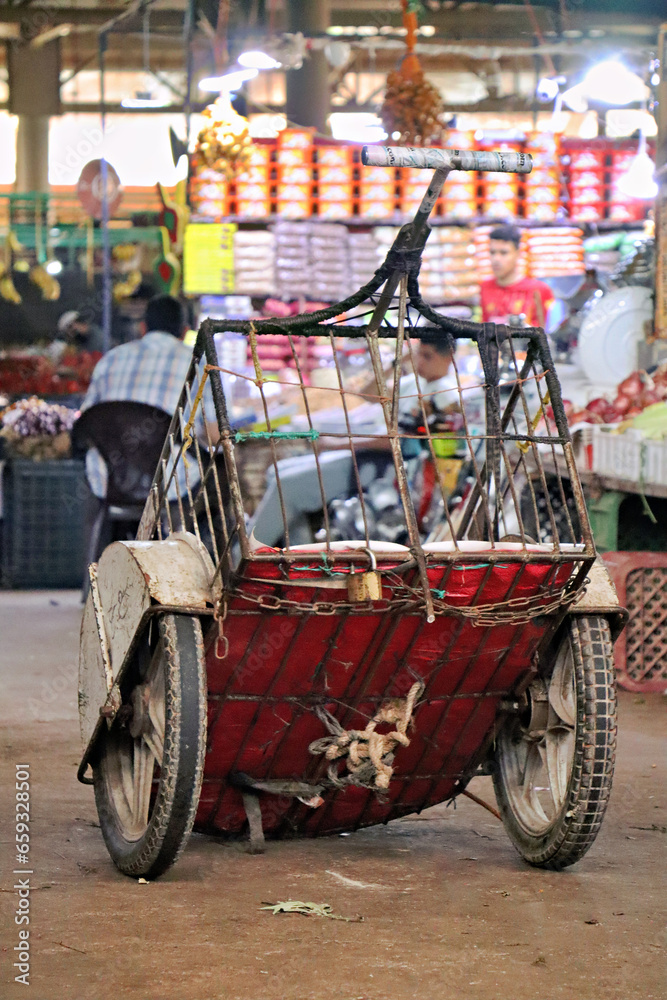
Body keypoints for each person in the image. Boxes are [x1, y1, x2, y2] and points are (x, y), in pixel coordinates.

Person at [80, 294, 199, 499]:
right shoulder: (198, 362)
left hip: (107, 480)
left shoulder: (111, 359)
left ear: (143, 328)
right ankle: (186, 530)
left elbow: (84, 423)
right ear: (185, 332)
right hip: (169, 483)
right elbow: (216, 433)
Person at [480, 224, 554, 328]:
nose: (496, 259)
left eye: (503, 253)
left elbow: (547, 331)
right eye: (492, 252)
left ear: (518, 253)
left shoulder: (538, 290)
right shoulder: (485, 288)